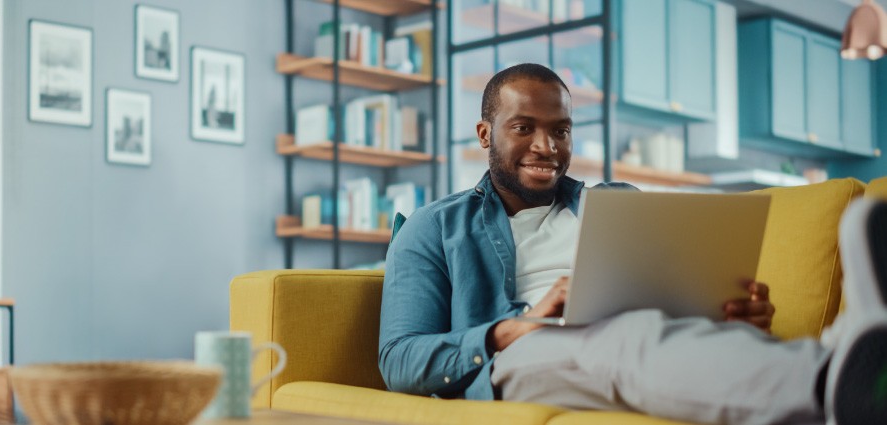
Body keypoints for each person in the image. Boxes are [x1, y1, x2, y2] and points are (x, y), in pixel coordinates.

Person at [378, 63, 886, 425]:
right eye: (523, 128)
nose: (547, 147)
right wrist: (513, 329)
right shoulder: (433, 227)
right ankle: (834, 382)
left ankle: (845, 357)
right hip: (521, 358)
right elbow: (400, 359)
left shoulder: (620, 203)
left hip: (643, 336)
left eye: (561, 130)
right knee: (622, 339)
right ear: (485, 135)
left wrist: (728, 314)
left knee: (643, 333)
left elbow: (667, 310)